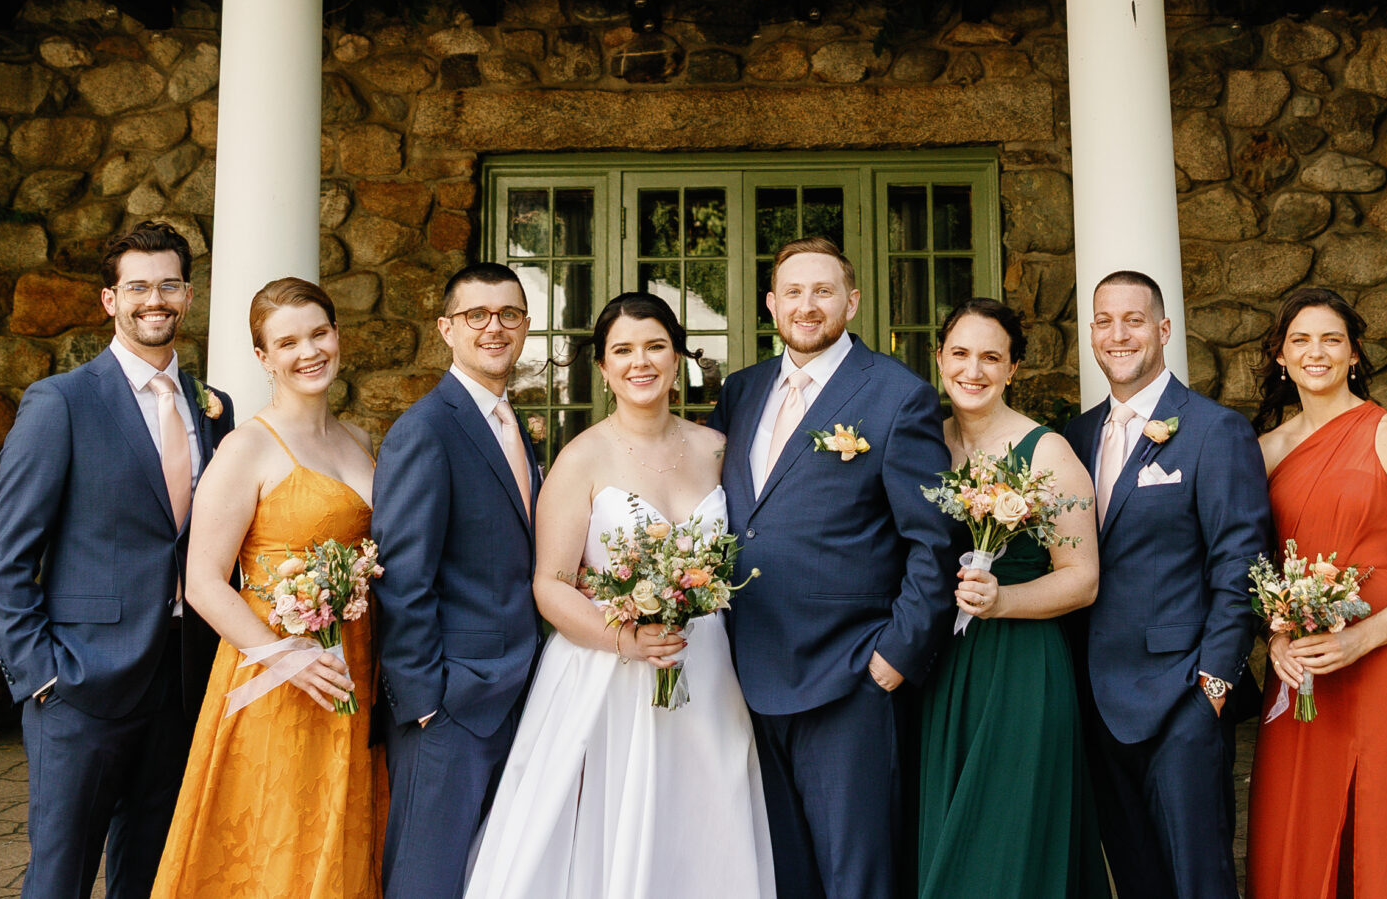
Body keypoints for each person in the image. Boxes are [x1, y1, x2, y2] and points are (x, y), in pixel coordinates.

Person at [460, 292, 774, 899]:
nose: (641, 362)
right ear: (603, 368)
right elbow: (550, 584)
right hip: (610, 674)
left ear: (677, 358)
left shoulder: (719, 450)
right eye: (623, 351)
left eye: (656, 346)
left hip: (707, 667)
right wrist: (626, 640)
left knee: (707, 815)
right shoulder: (581, 458)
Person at [0, 222, 234, 899]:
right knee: (59, 877)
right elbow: (6, 557)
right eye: (138, 286)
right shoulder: (61, 402)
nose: (156, 300)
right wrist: (41, 674)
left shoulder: (215, 409)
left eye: (170, 285)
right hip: (80, 683)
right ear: (110, 300)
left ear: (189, 295)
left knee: (152, 875)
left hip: (182, 678)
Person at [708, 235, 955, 899]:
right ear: (771, 304)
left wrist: (893, 658)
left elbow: (933, 542)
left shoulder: (899, 395)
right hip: (745, 674)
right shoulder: (741, 392)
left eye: (823, 290)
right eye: (793, 291)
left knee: (857, 876)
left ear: (852, 300)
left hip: (849, 677)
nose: (807, 304)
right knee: (780, 874)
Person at [150, 278, 384, 898]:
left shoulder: (359, 440)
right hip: (279, 674)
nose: (309, 352)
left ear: (337, 335)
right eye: (287, 342)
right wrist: (284, 657)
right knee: (279, 840)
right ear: (263, 357)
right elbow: (203, 582)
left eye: (319, 333)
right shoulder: (246, 448)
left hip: (355, 664)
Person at [1246, 287, 1387, 899]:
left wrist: (1362, 639)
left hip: (1386, 659)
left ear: (1354, 353)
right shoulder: (1262, 453)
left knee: (1386, 822)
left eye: (1331, 339)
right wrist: (1276, 637)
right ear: (1281, 357)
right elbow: (1252, 569)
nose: (1315, 352)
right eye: (1300, 340)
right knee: (1296, 823)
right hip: (1302, 667)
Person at [1065, 268, 1271, 899]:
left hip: (1182, 696)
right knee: (1137, 880)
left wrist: (1214, 685)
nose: (1118, 335)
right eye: (1105, 321)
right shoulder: (1074, 436)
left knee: (1199, 881)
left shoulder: (1215, 429)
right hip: (1094, 703)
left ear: (1163, 329)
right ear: (1091, 334)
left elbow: (1240, 565)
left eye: (1134, 320)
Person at [913, 299, 1107, 899]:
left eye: (991, 358)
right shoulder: (923, 443)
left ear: (1013, 369)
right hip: (939, 668)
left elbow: (1082, 578)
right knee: (949, 836)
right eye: (960, 354)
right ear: (939, 358)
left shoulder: (1046, 452)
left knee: (1003, 840)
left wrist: (1003, 600)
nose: (973, 371)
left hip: (1020, 666)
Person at [374, 263, 547, 899]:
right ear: (447, 329)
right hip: (450, 704)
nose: (494, 327)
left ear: (525, 326)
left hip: (517, 690)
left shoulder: (509, 422)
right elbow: (402, 577)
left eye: (509, 314)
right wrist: (424, 701)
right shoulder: (426, 429)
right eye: (477, 315)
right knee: (427, 877)